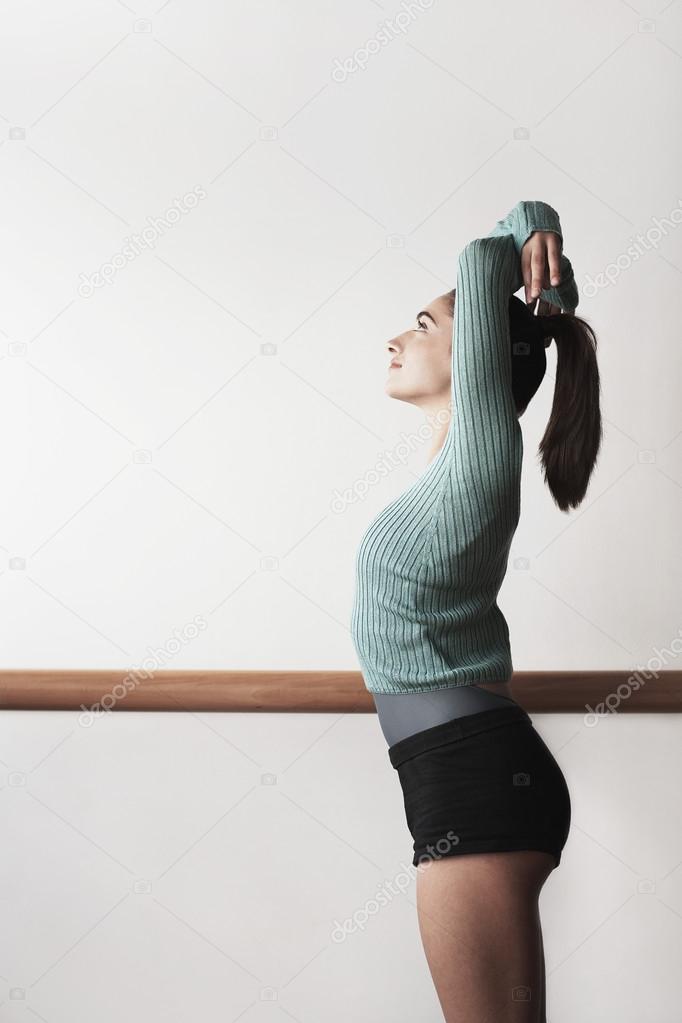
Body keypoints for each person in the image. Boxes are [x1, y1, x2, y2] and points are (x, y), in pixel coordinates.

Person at [350, 200, 602, 1021]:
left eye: (423, 323)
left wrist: (532, 227)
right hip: (457, 774)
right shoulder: (447, 463)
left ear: (483, 358)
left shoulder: (484, 448)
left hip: (474, 781)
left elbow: (477, 251)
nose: (396, 337)